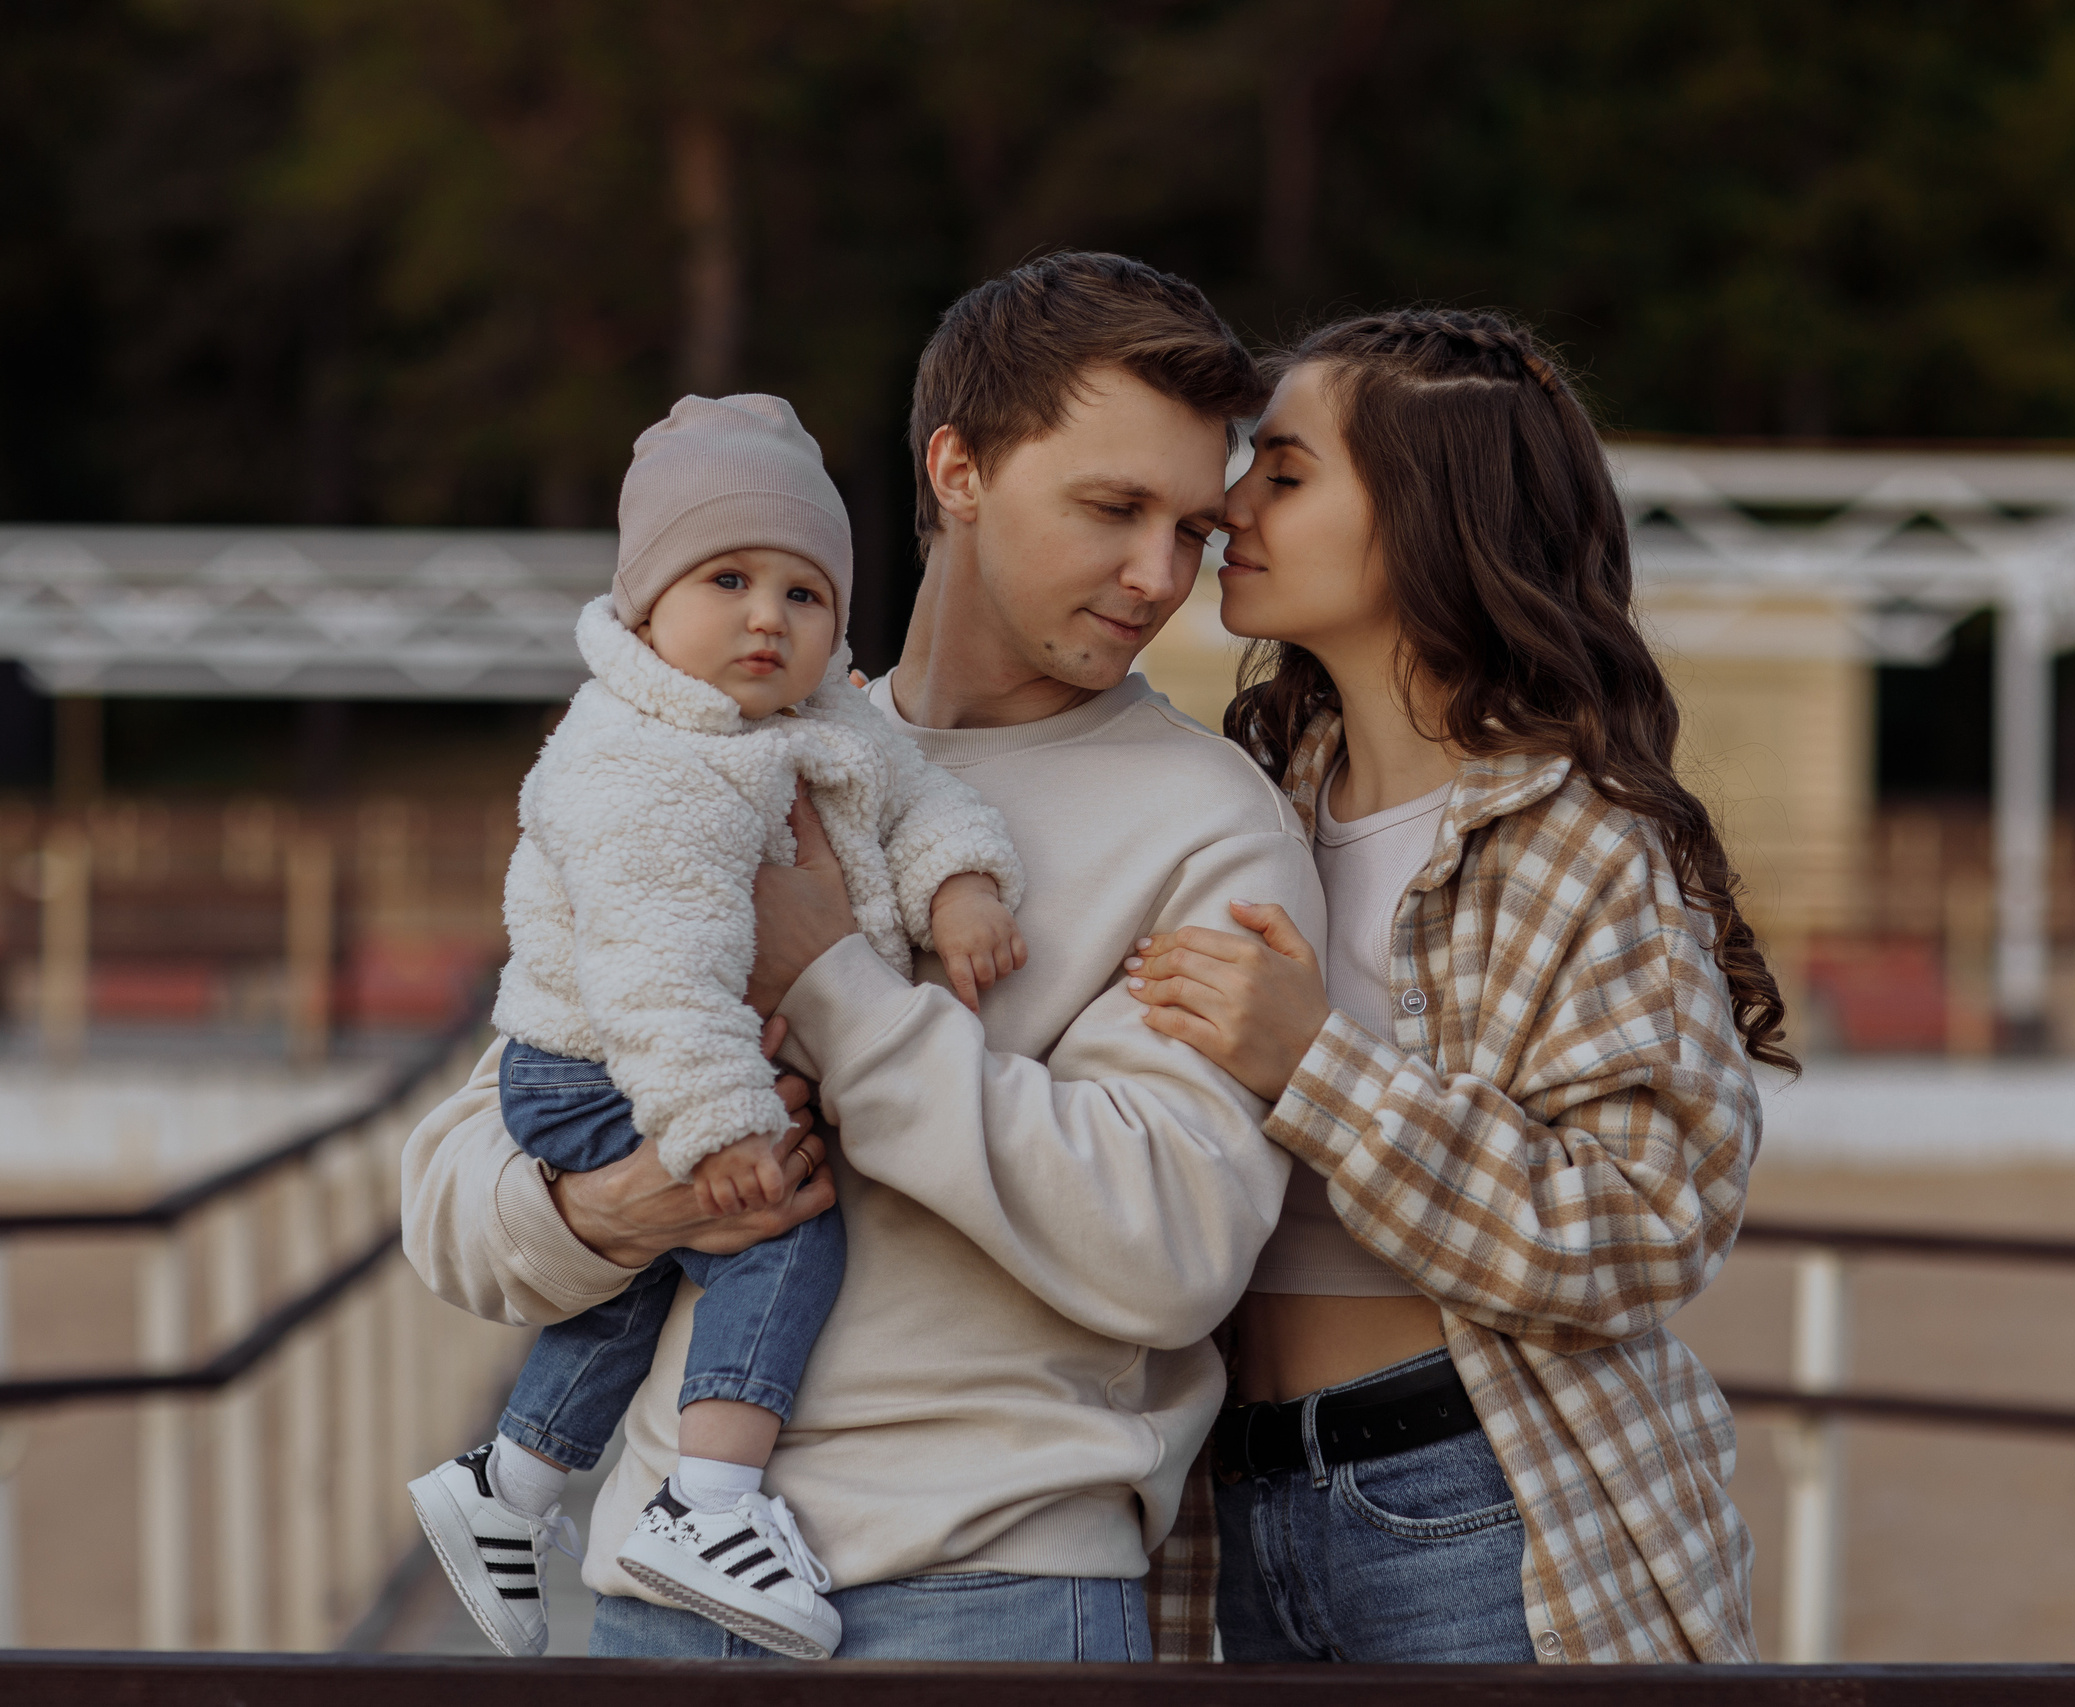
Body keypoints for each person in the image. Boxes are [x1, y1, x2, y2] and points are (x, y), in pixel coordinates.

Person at [403, 251, 1322, 1662]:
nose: (1160, 575)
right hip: (658, 1597)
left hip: (992, 1595)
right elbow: (457, 1187)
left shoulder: (1207, 822)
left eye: (1192, 527)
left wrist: (832, 981)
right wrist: (632, 1206)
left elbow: (1171, 1248)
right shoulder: (724, 742)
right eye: (1113, 508)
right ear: (959, 469)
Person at [1125, 309, 1791, 1663]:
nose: (1230, 504)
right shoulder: (1234, 807)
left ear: (1430, 519)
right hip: (1223, 1503)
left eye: (1284, 473)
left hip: (1474, 1499)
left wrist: (1317, 1065)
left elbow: (1645, 1225)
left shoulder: (1579, 841)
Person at [407, 392, 1027, 1660]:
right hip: (603, 1066)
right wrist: (724, 1129)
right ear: (646, 606)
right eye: (727, 580)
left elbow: (915, 797)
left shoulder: (819, 721)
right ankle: (709, 1503)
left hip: (676, 1055)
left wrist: (961, 886)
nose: (767, 618)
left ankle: (509, 1483)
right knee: (777, 1234)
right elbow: (659, 973)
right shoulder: (643, 763)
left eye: (805, 594)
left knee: (645, 1275)